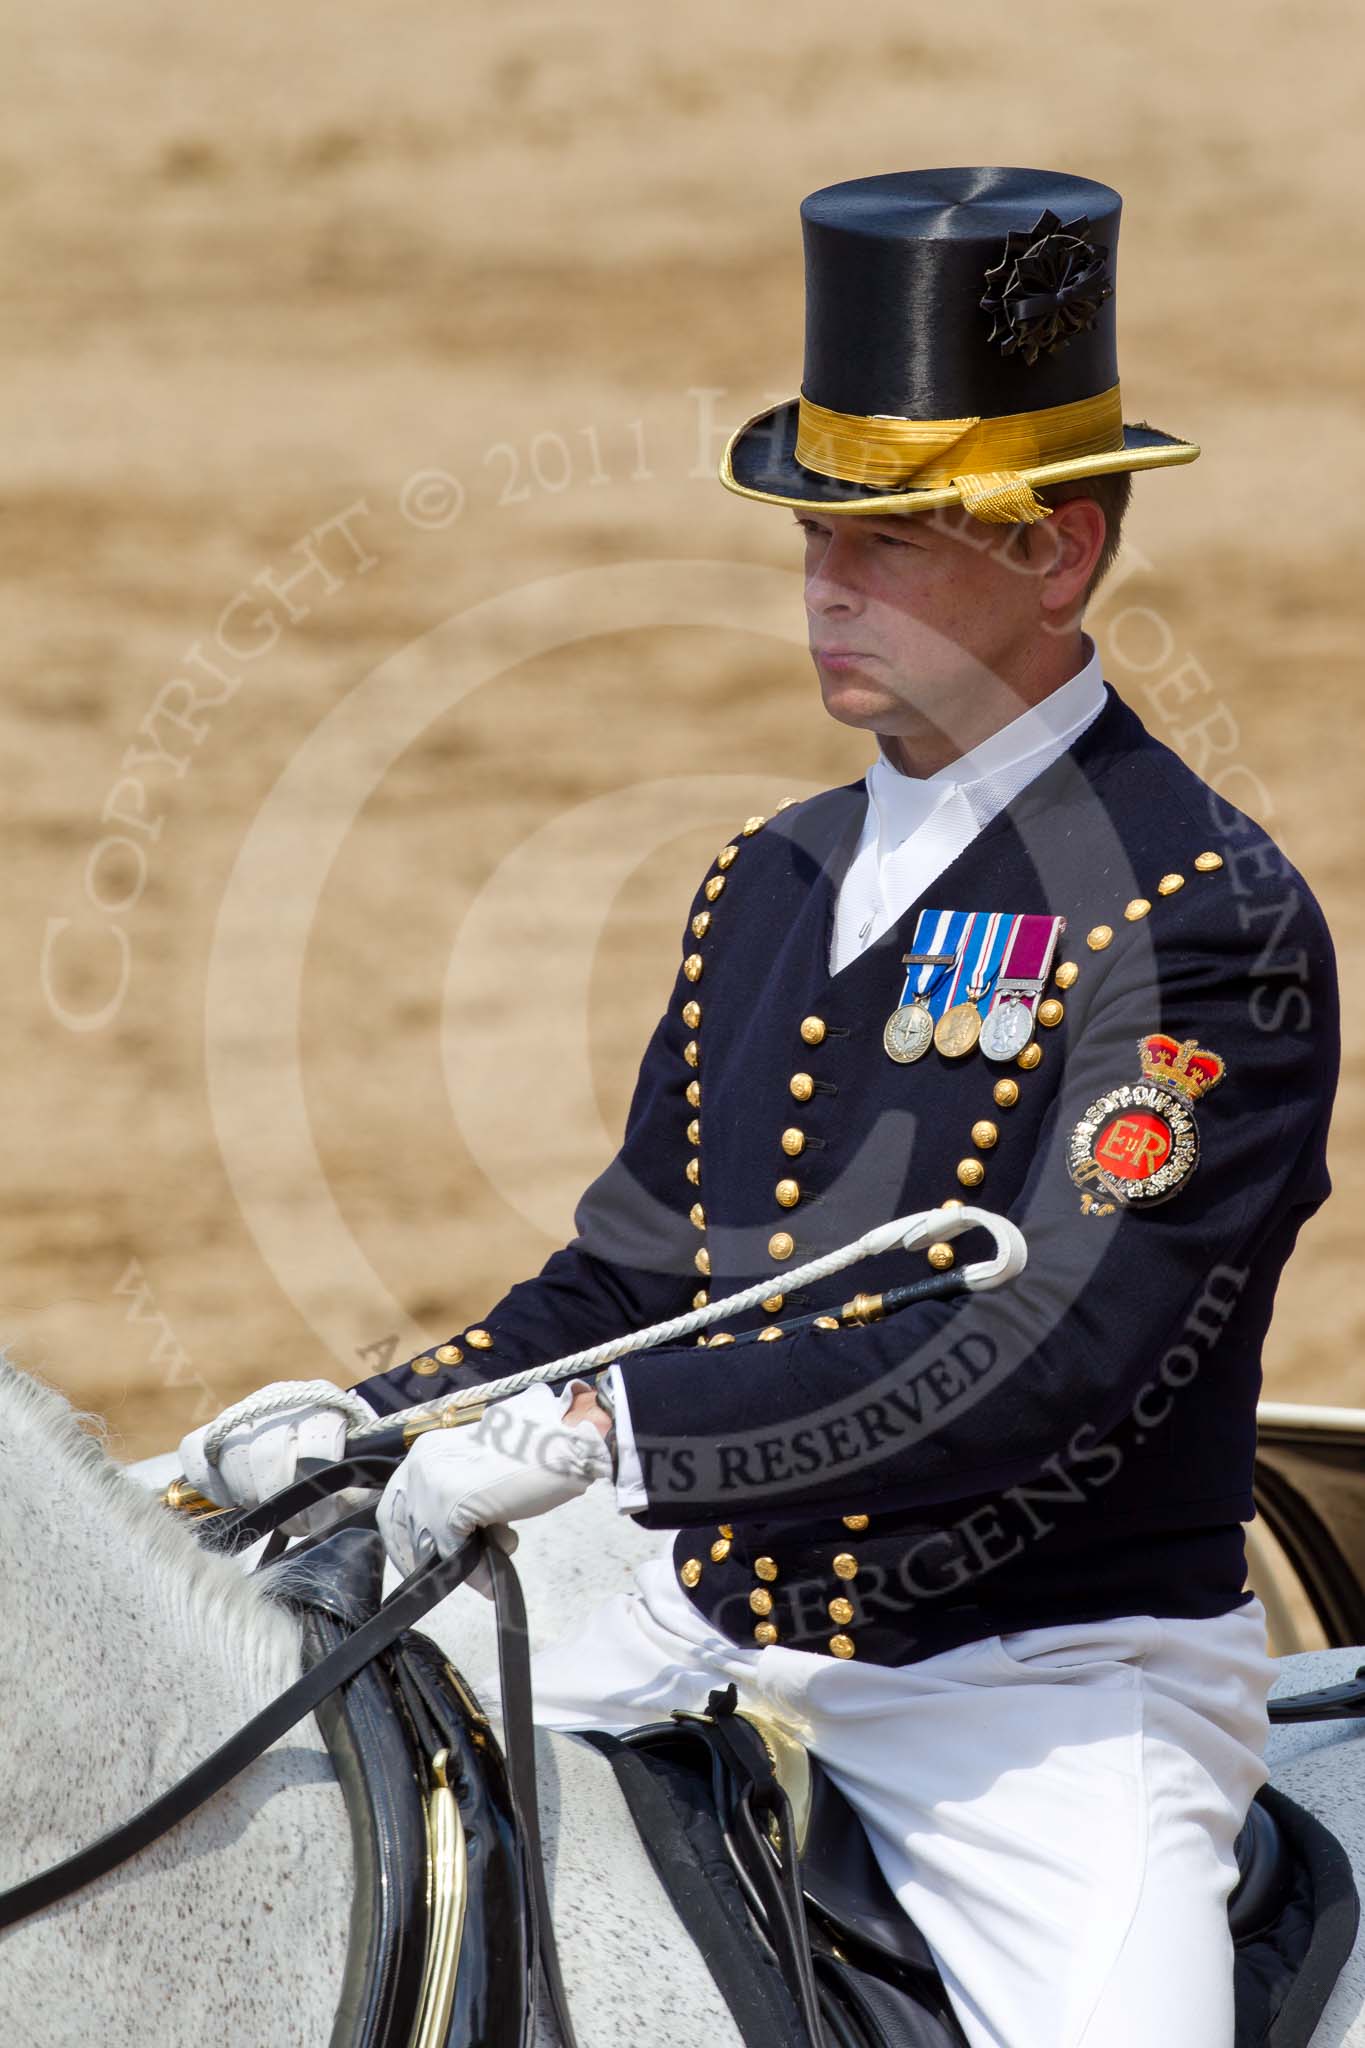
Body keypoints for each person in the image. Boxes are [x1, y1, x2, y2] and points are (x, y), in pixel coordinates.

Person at [180, 168, 1339, 2048]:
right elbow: (640, 1268)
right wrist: (385, 1417)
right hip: (697, 1612)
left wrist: (606, 1432)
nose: (822, 586)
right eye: (811, 532)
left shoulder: (1195, 916)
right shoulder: (772, 879)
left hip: (1034, 1697)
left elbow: (1056, 1354)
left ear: (1055, 550)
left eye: (884, 540)